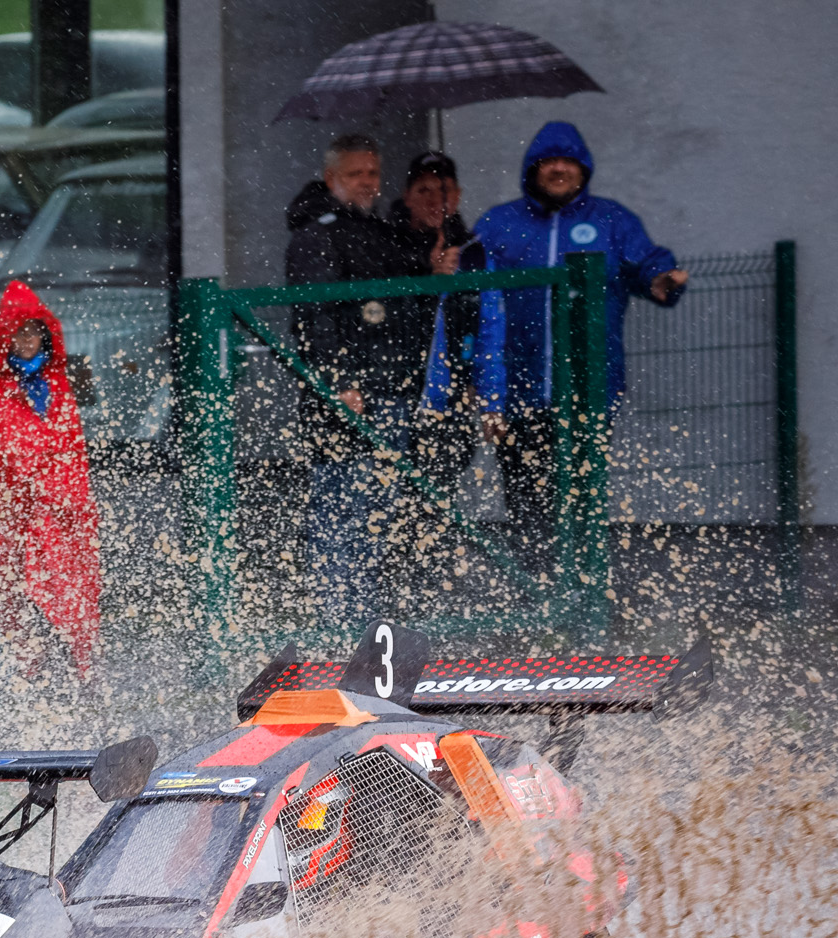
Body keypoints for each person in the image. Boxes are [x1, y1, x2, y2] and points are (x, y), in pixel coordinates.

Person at [466, 122, 689, 576]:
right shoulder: (499, 224)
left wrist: (663, 279)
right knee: (526, 501)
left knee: (583, 499)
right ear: (533, 169)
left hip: (589, 393)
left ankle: (585, 596)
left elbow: (648, 265)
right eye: (549, 161)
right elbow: (469, 298)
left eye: (569, 161)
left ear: (583, 169)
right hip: (519, 394)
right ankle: (538, 594)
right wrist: (479, 379)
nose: (559, 169)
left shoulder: (611, 221)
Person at [283, 134, 434, 613]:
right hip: (347, 394)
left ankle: (360, 613)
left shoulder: (377, 230)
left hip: (389, 388)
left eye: (373, 172)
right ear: (331, 178)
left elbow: (399, 297)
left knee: (377, 508)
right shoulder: (318, 235)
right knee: (340, 506)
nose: (367, 182)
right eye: (355, 173)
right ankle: (339, 615)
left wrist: (432, 265)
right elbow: (315, 318)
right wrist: (340, 382)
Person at [0, 280, 101, 685]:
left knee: (65, 585)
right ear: (5, 337)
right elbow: (1, 450)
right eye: (18, 332)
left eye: (33, 332)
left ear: (45, 335)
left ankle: (72, 668)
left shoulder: (58, 387)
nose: (26, 340)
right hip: (14, 514)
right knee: (16, 591)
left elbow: (72, 450)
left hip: (58, 511)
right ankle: (25, 670)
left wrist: (68, 497)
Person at [392, 151, 484, 493]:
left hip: (451, 392)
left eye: (443, 190)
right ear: (407, 196)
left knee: (440, 490)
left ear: (457, 196)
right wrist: (428, 277)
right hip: (398, 391)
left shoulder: (473, 250)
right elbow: (387, 315)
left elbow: (483, 320)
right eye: (424, 190)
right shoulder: (386, 245)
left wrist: (474, 378)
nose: (435, 200)